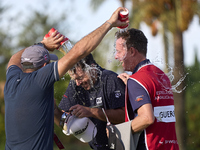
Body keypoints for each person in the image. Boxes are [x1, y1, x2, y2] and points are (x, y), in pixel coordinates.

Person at [4, 7, 129, 150]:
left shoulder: (12, 80)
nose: (77, 82)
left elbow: (14, 59)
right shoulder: (39, 80)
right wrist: (110, 23)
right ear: (45, 66)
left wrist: (42, 45)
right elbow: (78, 52)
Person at [115, 28, 179, 150]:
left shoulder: (137, 81)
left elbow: (147, 118)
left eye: (119, 51)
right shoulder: (161, 76)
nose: (116, 56)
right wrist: (133, 83)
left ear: (132, 51)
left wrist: (117, 132)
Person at [54, 53, 125, 150]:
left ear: (92, 68)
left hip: (120, 146)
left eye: (80, 77)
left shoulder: (110, 79)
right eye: (75, 79)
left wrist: (91, 112)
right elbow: (65, 123)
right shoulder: (76, 85)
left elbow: (124, 116)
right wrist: (53, 110)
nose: (78, 83)